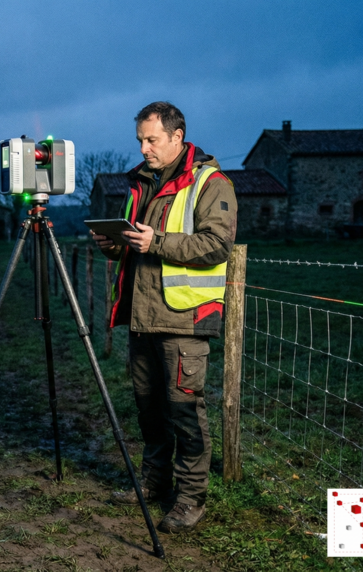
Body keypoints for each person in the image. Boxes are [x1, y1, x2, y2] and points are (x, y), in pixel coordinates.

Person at [92, 101, 237, 533]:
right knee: (149, 410)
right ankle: (155, 483)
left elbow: (216, 245)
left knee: (185, 413)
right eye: (140, 139)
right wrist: (114, 243)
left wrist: (156, 242)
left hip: (183, 320)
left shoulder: (211, 183)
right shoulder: (142, 182)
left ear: (177, 137)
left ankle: (191, 499)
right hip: (142, 317)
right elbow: (137, 242)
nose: (144, 148)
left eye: (151, 139)